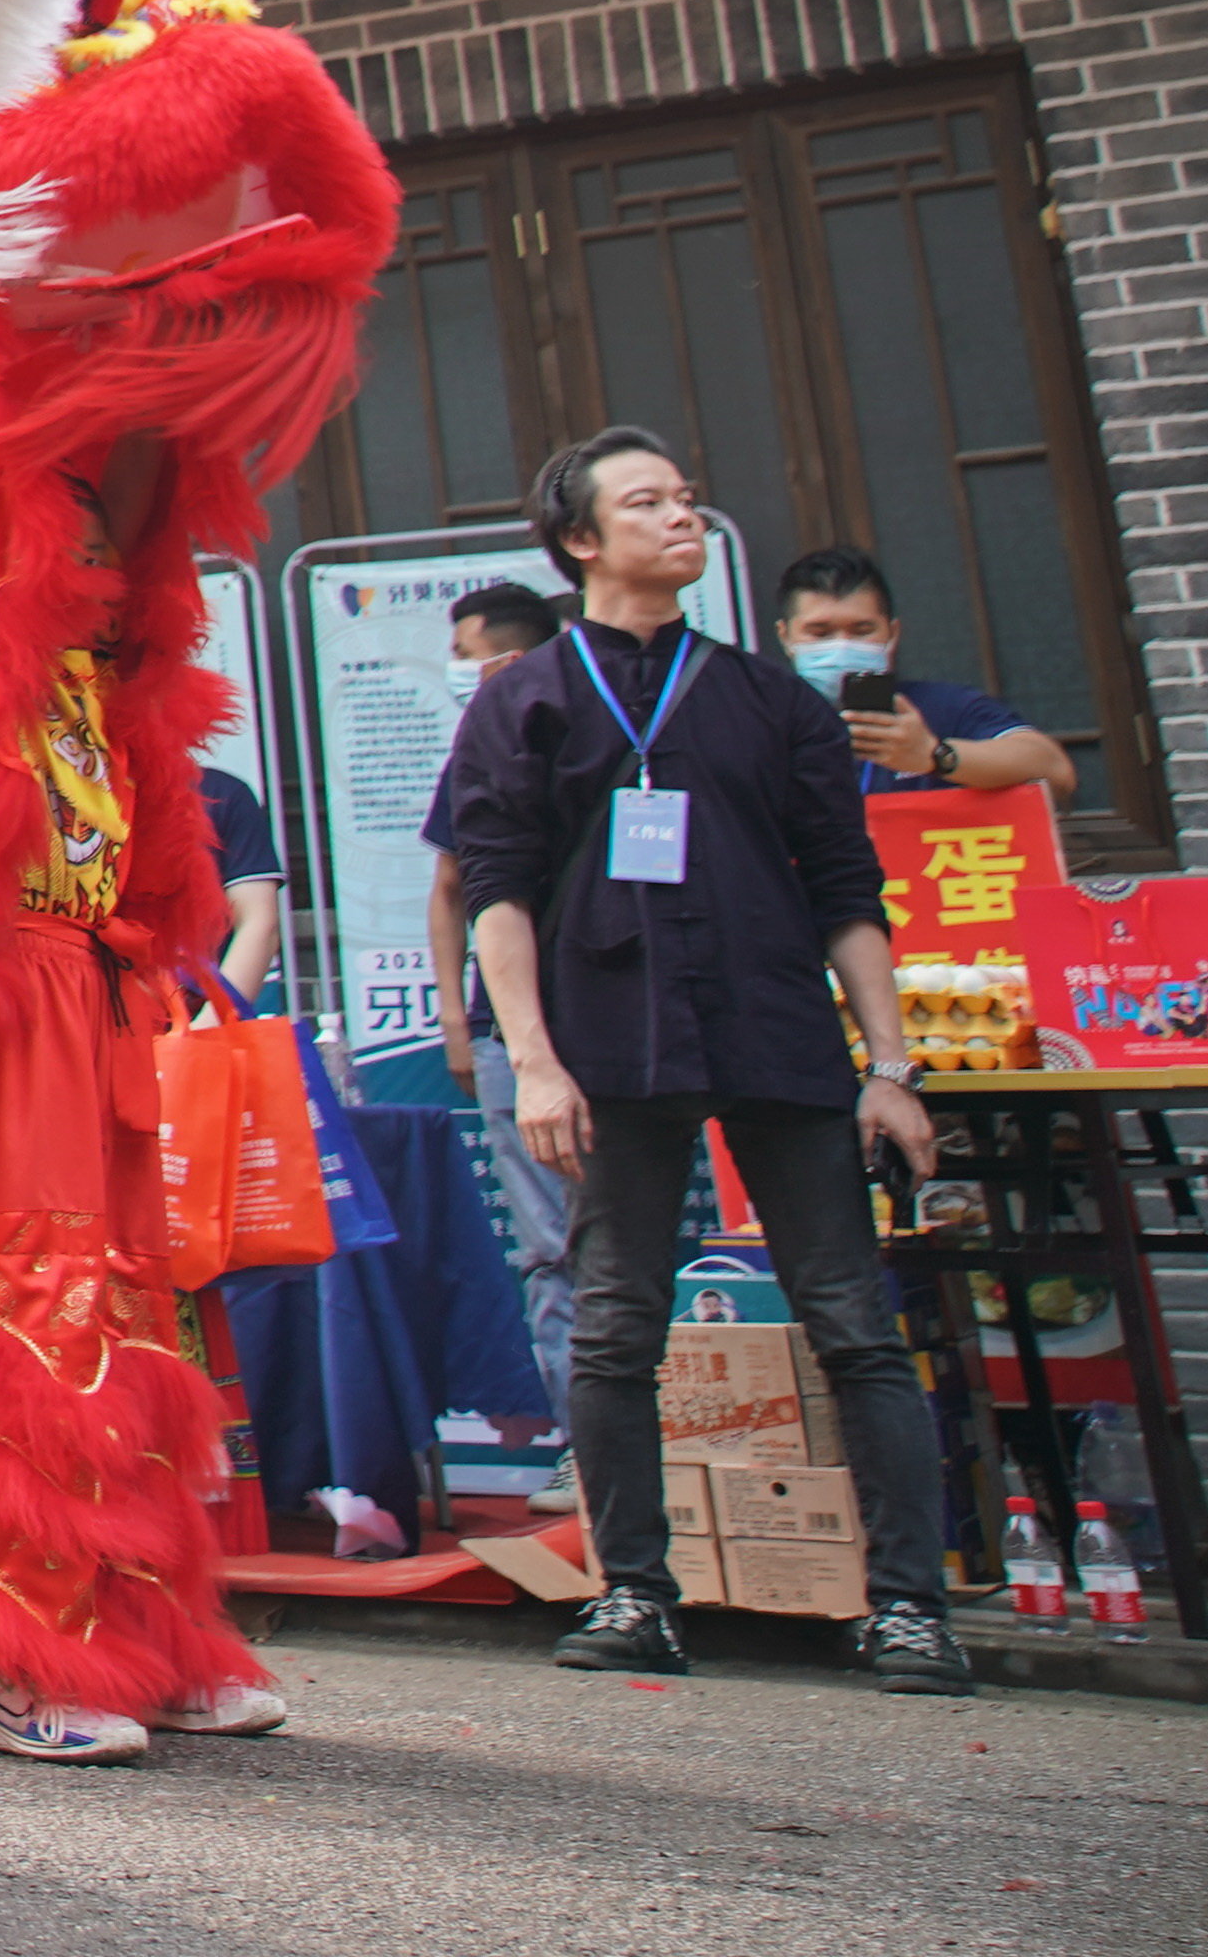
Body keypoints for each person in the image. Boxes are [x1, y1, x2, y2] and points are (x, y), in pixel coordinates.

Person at [446, 428, 969, 1690]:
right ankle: (634, 1591)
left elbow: (846, 887)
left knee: (853, 1322)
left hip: (774, 1027)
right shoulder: (524, 699)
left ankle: (908, 1605)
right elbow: (497, 892)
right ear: (582, 539)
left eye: (686, 497)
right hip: (609, 1041)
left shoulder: (767, 698)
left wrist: (891, 1065)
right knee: (617, 1322)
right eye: (648, 502)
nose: (682, 516)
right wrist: (533, 1060)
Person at [417, 582, 578, 1398]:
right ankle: (583, 1443)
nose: (455, 670)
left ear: (512, 662)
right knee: (547, 1244)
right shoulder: (472, 755)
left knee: (625, 1239)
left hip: (613, 1020)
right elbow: (450, 892)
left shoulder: (600, 737)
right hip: (505, 1035)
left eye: (464, 654)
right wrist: (456, 1019)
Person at [770, 548, 1073, 806]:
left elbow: (1055, 770)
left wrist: (934, 755)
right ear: (785, 636)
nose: (842, 646)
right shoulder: (759, 718)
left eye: (862, 631)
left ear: (892, 633)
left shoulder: (942, 707)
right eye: (820, 633)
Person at [199, 761, 289, 1006]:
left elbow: (258, 922)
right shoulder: (99, 804)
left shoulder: (220, 792)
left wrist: (214, 1020)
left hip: (198, 1008)